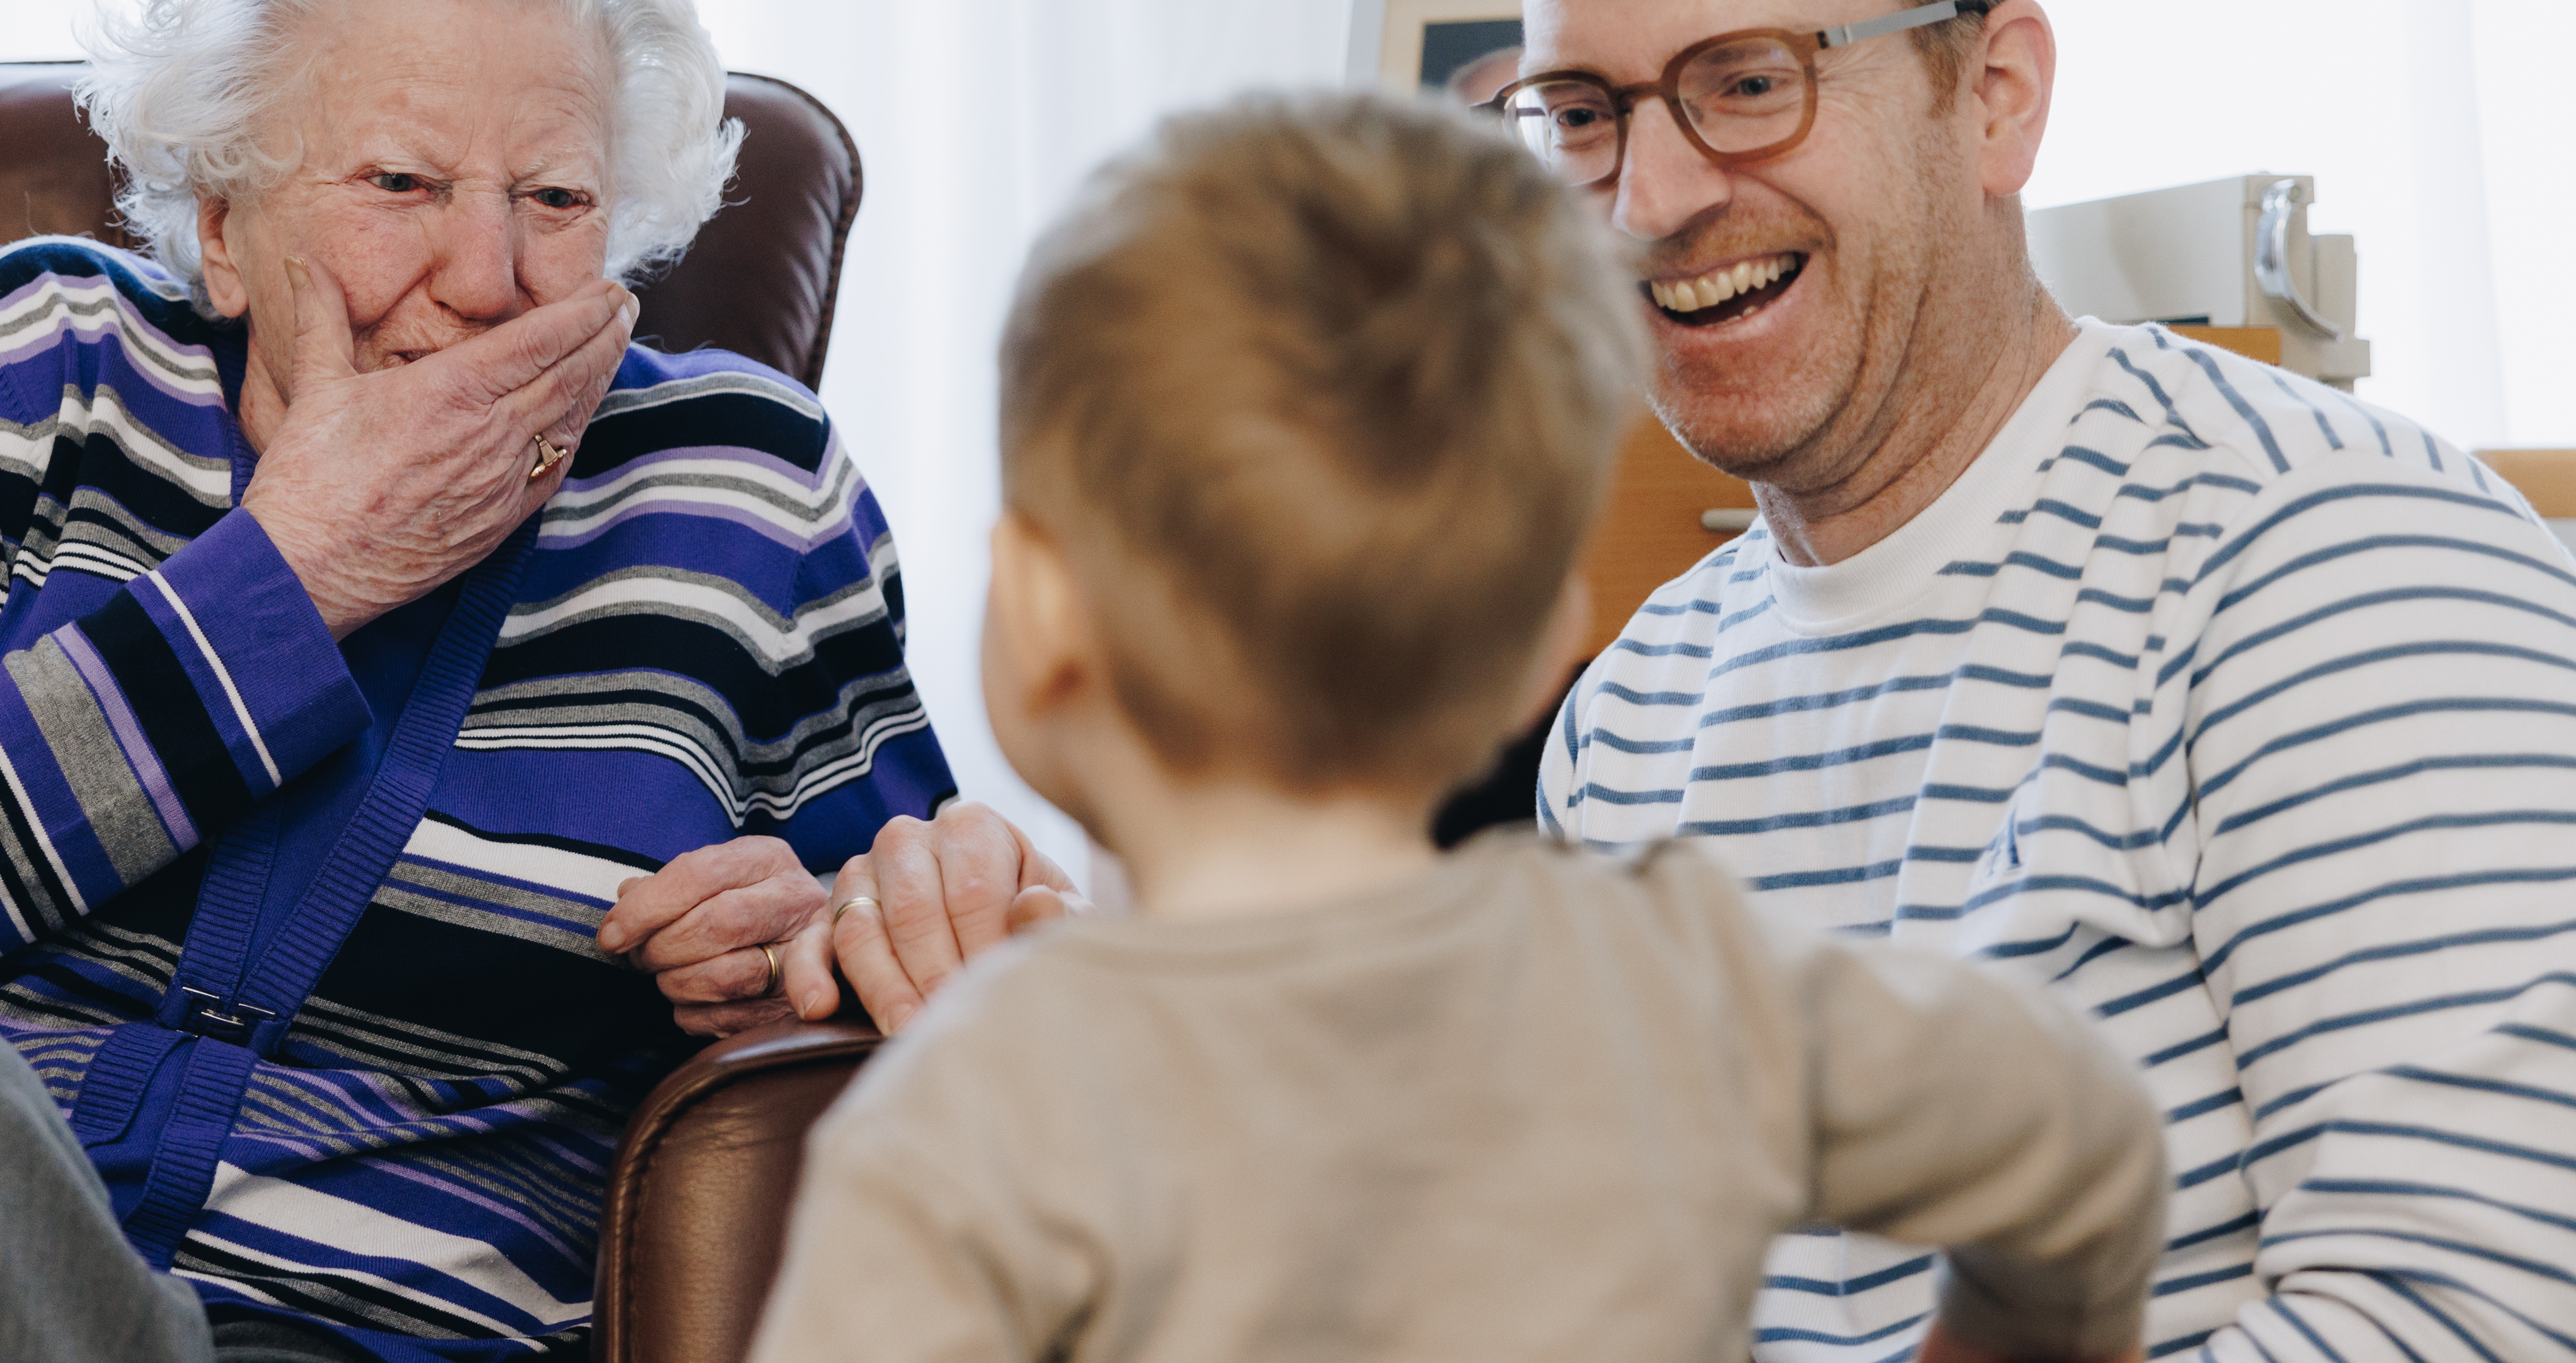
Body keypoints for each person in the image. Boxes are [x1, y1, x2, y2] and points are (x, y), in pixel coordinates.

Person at [0, 0, 1074, 1363]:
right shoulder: (42, 359)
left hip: (382, 1336)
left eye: (556, 200)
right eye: (401, 184)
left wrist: (817, 960)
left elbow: (926, 973)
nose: (484, 280)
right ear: (228, 230)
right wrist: (292, 572)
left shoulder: (743, 490)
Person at [750, 94, 2171, 1363]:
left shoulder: (995, 1103)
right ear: (1551, 638)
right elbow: (2081, 1132)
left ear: (1043, 606)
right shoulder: (1685, 979)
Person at [1514, 0, 2576, 1363]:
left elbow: (2487, 1319)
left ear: (1996, 98)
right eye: (1584, 111)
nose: (1649, 196)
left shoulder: (2335, 569)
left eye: (1748, 82)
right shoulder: (1629, 722)